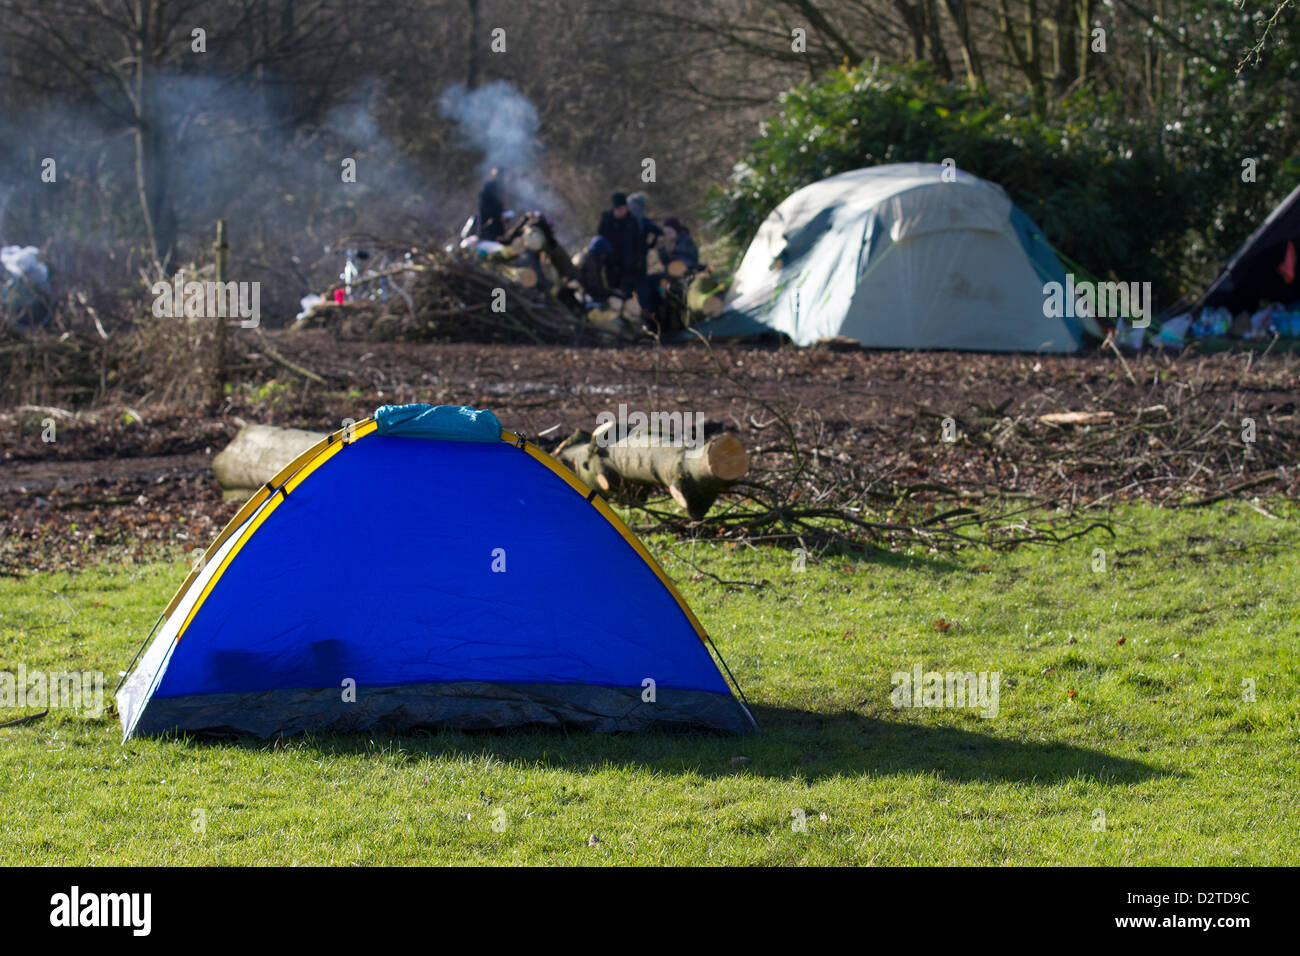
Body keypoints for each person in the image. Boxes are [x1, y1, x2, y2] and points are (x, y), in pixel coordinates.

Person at [597, 191, 644, 296]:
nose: (621, 211)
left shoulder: (632, 221)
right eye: (618, 209)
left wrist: (638, 260)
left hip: (630, 265)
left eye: (623, 208)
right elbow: (602, 241)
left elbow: (637, 243)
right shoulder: (606, 222)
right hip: (613, 266)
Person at [575, 236, 614, 301]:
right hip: (586, 297)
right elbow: (593, 284)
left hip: (586, 294)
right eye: (604, 253)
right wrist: (609, 292)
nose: (604, 256)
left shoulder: (589, 257)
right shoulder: (589, 262)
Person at [477, 168, 507, 241]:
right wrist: (499, 213)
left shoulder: (500, 187)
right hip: (490, 222)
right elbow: (487, 206)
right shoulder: (489, 187)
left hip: (495, 221)